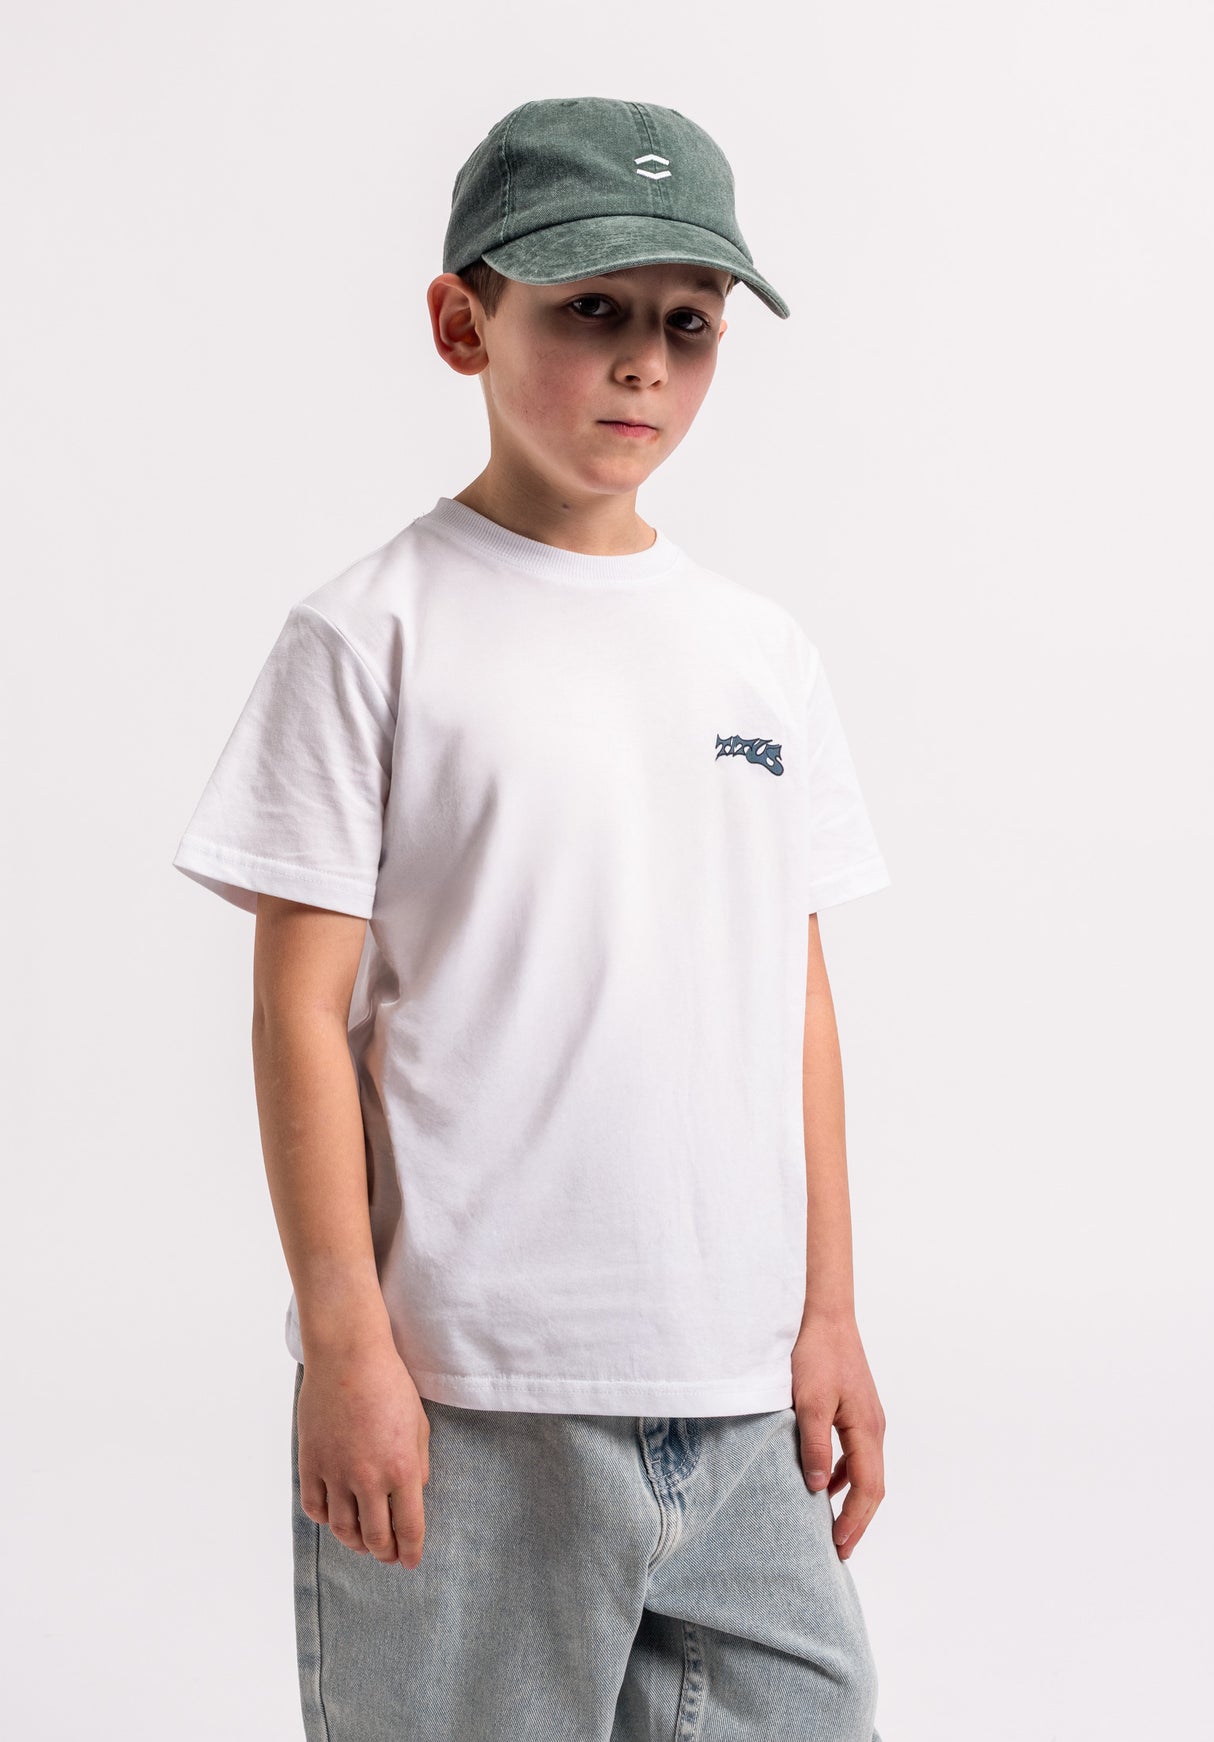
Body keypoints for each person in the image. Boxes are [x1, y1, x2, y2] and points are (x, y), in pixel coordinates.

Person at [172, 94, 892, 1742]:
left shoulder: (759, 653)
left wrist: (830, 1313)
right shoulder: (372, 634)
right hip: (471, 1391)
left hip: (737, 1396)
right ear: (461, 323)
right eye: (590, 310)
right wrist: (346, 1339)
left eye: (686, 324)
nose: (641, 363)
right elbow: (298, 1011)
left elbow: (790, 992)